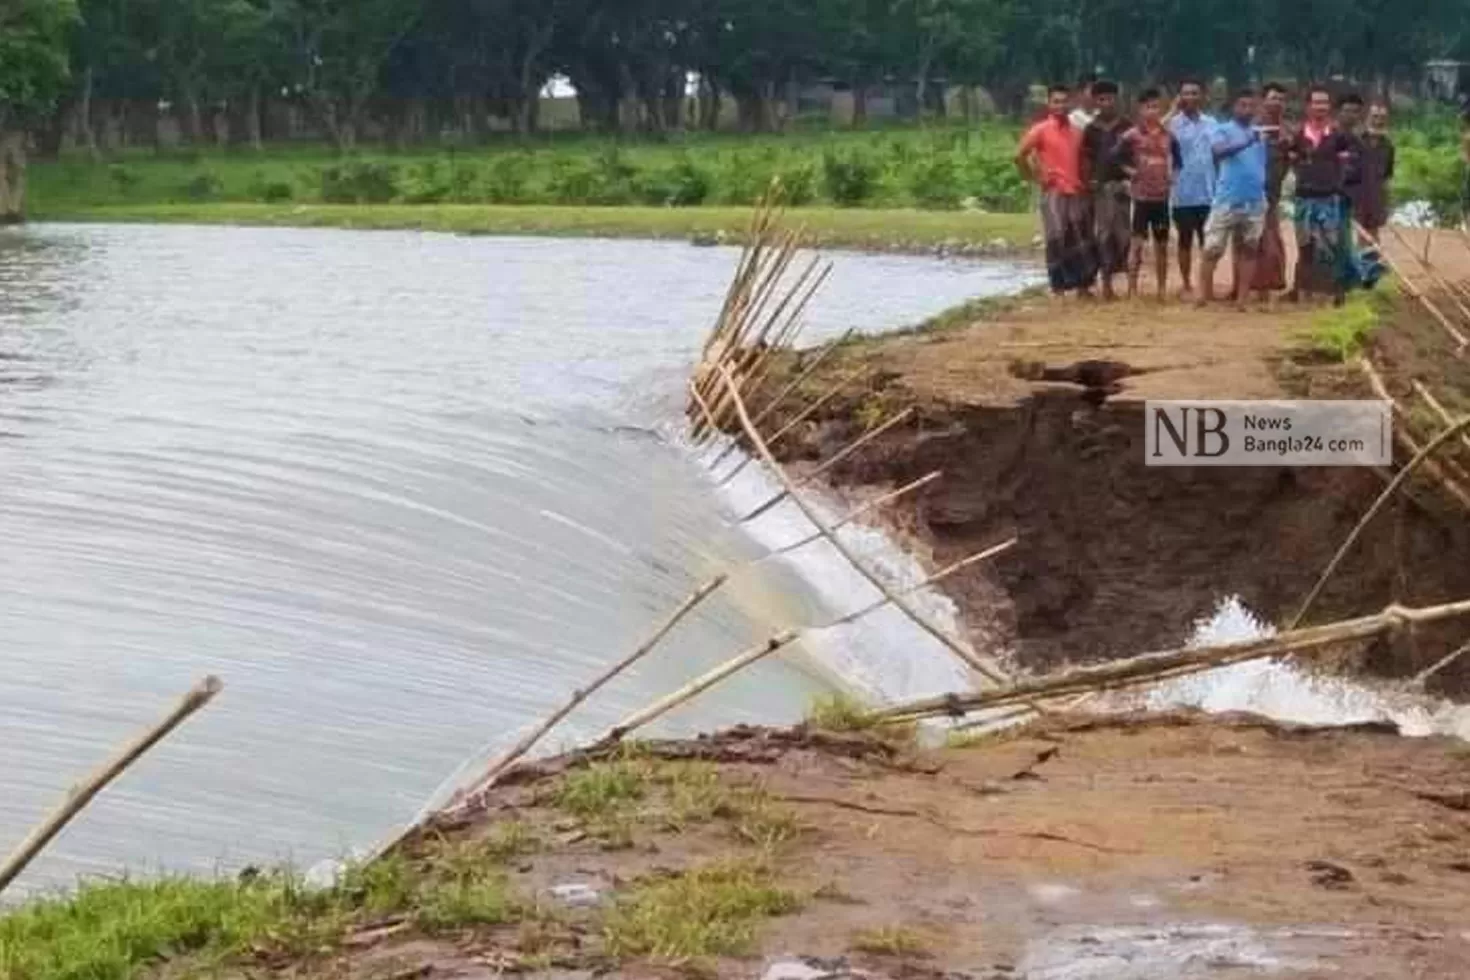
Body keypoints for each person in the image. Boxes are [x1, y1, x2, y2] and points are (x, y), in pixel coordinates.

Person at [1016, 84, 1097, 296]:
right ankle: (1058, 287)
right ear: (1049, 104)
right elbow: (1019, 155)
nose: (1060, 106)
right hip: (1053, 192)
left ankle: (1083, 287)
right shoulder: (1041, 129)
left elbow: (1085, 160)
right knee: (1056, 237)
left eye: (1064, 101)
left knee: (1080, 237)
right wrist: (1033, 176)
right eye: (1056, 102)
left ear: (1070, 103)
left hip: (1077, 191)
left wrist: (1088, 183)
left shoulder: (1078, 131)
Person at [1287, 85, 1357, 305]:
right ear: (1308, 106)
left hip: (1329, 198)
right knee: (1305, 245)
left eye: (1324, 103)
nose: (1320, 107)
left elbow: (1347, 166)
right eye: (1316, 102)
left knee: (1329, 247)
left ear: (1329, 107)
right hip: (1304, 197)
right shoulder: (1298, 136)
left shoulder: (1339, 136)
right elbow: (1292, 163)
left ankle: (1330, 293)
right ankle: (1303, 291)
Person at [1198, 89, 1267, 307]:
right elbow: (1218, 152)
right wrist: (1248, 141)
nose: (1247, 110)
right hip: (1227, 198)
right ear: (1233, 108)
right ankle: (1203, 295)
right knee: (1212, 248)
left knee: (1249, 248)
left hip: (1254, 199)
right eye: (1242, 105)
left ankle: (1242, 298)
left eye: (1251, 106)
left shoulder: (1260, 134)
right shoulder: (1222, 130)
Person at [1112, 87, 1182, 300]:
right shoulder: (1132, 135)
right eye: (1148, 107)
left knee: (1162, 246)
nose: (1153, 111)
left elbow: (1179, 161)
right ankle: (1132, 290)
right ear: (1140, 109)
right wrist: (1129, 172)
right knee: (1137, 245)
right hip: (1141, 198)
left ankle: (1161, 289)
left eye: (1156, 107)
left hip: (1161, 199)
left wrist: (1173, 177)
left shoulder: (1168, 135)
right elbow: (1114, 156)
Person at [1081, 80, 1130, 300]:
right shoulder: (1091, 129)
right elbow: (1086, 159)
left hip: (1123, 188)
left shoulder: (1126, 126)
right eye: (1101, 99)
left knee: (1123, 235)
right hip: (1100, 189)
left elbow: (1134, 156)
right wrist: (1089, 180)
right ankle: (1106, 284)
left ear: (1116, 100)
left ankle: (1125, 281)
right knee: (1103, 235)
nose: (1106, 103)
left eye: (1109, 98)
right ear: (1095, 102)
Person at [1167, 79, 1217, 297]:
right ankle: (1186, 283)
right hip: (1182, 192)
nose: (1190, 98)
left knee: (1209, 243)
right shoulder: (1173, 124)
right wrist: (1171, 110)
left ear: (1202, 96)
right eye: (1186, 94)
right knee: (1185, 241)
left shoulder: (1212, 123)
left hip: (1208, 192)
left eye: (1195, 93)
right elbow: (1153, 130)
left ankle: (1207, 285)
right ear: (1180, 97)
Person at [1250, 81, 1292, 298]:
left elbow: (1289, 162)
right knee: (1254, 240)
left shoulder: (1287, 131)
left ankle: (1267, 286)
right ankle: (1255, 288)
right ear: (1263, 100)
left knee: (1270, 239)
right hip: (1251, 193)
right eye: (1273, 98)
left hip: (1273, 194)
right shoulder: (1254, 126)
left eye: (1281, 99)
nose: (1277, 102)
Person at [1350, 102, 1395, 241]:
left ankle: (1371, 262)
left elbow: (1386, 176)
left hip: (1376, 199)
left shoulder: (1388, 146)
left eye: (1382, 117)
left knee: (1373, 236)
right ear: (1367, 117)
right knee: (1359, 237)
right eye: (1375, 116)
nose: (1378, 121)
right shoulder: (1354, 140)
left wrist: (1385, 203)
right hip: (1356, 199)